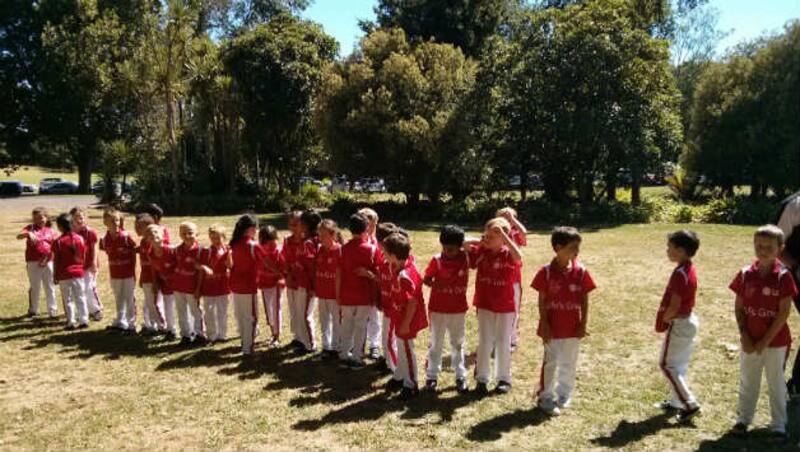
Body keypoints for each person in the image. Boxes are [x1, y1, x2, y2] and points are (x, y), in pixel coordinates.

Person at [729, 225, 797, 441]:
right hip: (750, 341)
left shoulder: (784, 277)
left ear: (780, 248)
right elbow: (739, 307)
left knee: (775, 382)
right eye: (759, 245)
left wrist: (764, 342)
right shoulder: (745, 273)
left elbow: (783, 313)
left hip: (775, 343)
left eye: (769, 246)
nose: (763, 250)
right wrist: (745, 336)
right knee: (748, 380)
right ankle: (743, 420)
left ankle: (778, 426)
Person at [531, 227, 596, 416]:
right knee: (551, 362)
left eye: (578, 247)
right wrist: (544, 323)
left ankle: (564, 394)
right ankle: (545, 397)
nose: (577, 251)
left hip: (573, 327)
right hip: (552, 327)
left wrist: (583, 324)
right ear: (558, 247)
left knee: (569, 361)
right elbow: (542, 300)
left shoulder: (581, 271)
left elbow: (584, 299)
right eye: (573, 247)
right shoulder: (546, 272)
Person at [469, 217, 522, 395]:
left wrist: (505, 238)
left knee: (503, 341)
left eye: (494, 237)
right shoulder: (482, 251)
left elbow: (519, 256)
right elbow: (463, 244)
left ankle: (503, 378)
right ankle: (482, 379)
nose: (489, 239)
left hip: (505, 305)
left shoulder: (508, 253)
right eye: (487, 235)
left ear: (504, 238)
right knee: (485, 341)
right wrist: (482, 240)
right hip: (485, 303)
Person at [654, 230, 701, 422]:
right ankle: (676, 401)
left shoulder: (680, 274)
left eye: (670, 247)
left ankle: (690, 404)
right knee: (678, 364)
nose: (667, 250)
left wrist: (664, 319)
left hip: (680, 323)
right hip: (687, 321)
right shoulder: (687, 268)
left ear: (681, 250)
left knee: (667, 365)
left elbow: (674, 305)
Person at [423, 225, 470, 394]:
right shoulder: (437, 260)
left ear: (460, 246)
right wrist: (436, 284)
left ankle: (460, 375)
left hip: (457, 310)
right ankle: (432, 376)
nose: (447, 252)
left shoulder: (466, 258)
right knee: (436, 343)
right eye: (445, 248)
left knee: (457, 343)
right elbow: (426, 279)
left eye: (452, 248)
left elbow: (479, 245)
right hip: (438, 309)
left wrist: (464, 243)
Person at [384, 232, 428, 400]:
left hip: (406, 319)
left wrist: (405, 324)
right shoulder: (401, 265)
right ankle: (399, 376)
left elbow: (412, 302)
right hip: (399, 315)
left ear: (393, 256)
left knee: (407, 350)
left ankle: (411, 384)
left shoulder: (405, 276)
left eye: (385, 253)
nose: (383, 256)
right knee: (401, 348)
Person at [337, 213, 380, 370]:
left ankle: (343, 355)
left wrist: (338, 294)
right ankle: (356, 357)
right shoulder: (372, 250)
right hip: (364, 296)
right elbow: (378, 276)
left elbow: (339, 274)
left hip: (347, 294)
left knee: (346, 324)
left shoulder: (343, 249)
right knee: (361, 326)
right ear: (367, 228)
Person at [228, 214, 264, 356]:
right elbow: (266, 261)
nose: (256, 231)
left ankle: (245, 343)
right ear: (250, 229)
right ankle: (247, 348)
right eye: (255, 228)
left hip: (236, 286)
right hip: (248, 287)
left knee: (241, 315)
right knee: (250, 318)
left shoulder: (234, 244)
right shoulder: (253, 245)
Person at [99, 209, 137, 333]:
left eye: (117, 220)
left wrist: (133, 271)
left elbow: (133, 252)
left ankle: (131, 324)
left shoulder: (125, 236)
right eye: (112, 221)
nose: (115, 223)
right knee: (118, 297)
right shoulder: (105, 240)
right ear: (105, 222)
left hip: (127, 273)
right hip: (115, 274)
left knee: (129, 298)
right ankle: (121, 321)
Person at [496, 207, 528, 351]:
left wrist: (513, 220)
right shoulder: (493, 234)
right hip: (495, 279)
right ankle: (496, 339)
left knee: (513, 309)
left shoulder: (515, 234)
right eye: (501, 218)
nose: (505, 221)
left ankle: (511, 339)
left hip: (513, 279)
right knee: (495, 309)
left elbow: (524, 232)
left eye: (508, 218)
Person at [17, 207, 57, 317]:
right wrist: (28, 234)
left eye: (41, 218)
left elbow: (55, 247)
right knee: (35, 286)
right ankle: (33, 309)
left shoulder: (51, 231)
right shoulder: (30, 228)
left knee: (49, 285)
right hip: (33, 262)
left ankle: (52, 309)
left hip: (48, 261)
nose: (38, 220)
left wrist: (49, 258)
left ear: (46, 218)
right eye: (35, 218)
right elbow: (18, 236)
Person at [52, 213, 88, 330]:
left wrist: (55, 275)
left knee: (68, 299)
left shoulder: (58, 242)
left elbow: (56, 260)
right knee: (81, 296)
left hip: (64, 274)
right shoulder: (80, 238)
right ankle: (84, 319)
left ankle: (71, 322)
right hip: (78, 273)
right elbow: (82, 256)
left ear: (60, 227)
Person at [172, 222, 206, 347]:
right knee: (181, 312)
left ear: (197, 234)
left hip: (192, 288)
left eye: (190, 233)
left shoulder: (200, 251)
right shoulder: (177, 250)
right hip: (178, 287)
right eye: (183, 233)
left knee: (196, 311)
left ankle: (200, 335)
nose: (187, 236)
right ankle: (185, 335)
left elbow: (201, 272)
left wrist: (198, 289)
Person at [198, 225, 231, 343]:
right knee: (209, 311)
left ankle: (222, 334)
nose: (215, 241)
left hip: (223, 285)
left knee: (222, 311)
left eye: (218, 238)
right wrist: (205, 267)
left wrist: (230, 254)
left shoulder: (227, 250)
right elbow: (198, 264)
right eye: (212, 238)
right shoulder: (206, 251)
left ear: (224, 237)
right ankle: (211, 334)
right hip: (209, 287)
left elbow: (230, 266)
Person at [70, 206, 103, 321]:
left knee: (90, 287)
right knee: (80, 289)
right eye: (76, 218)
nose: (79, 221)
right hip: (78, 266)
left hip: (90, 264)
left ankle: (96, 309)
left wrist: (94, 263)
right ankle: (84, 310)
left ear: (85, 218)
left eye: (81, 218)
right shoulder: (71, 233)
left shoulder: (90, 232)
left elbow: (94, 248)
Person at [315, 219, 342, 359]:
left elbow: (341, 274)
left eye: (324, 236)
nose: (321, 239)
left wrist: (339, 294)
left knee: (337, 321)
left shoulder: (339, 250)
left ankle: (336, 347)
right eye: (319, 235)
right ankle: (326, 346)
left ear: (332, 235)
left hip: (334, 294)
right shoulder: (320, 249)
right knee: (324, 321)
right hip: (322, 293)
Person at [359, 207, 383, 360]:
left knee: (374, 317)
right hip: (358, 286)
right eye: (370, 225)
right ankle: (358, 343)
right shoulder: (357, 243)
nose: (372, 228)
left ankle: (374, 344)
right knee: (359, 317)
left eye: (374, 225)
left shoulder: (377, 244)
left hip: (372, 285)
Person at [135, 213, 164, 335]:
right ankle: (151, 325)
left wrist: (155, 280)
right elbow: (143, 263)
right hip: (146, 277)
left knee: (155, 303)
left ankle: (162, 326)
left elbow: (155, 265)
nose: (136, 229)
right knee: (148, 303)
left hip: (154, 279)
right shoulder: (142, 242)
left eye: (139, 227)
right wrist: (142, 278)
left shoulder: (153, 244)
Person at [147, 225, 177, 340]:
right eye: (149, 234)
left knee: (183, 307)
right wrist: (155, 283)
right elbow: (154, 269)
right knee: (168, 307)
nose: (153, 235)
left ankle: (191, 331)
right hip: (165, 284)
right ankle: (171, 330)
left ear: (163, 235)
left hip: (179, 284)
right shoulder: (150, 253)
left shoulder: (171, 250)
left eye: (155, 232)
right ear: (147, 239)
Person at [258, 225, 285, 347]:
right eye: (265, 242)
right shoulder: (259, 249)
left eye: (272, 241)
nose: (269, 245)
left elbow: (283, 268)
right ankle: (272, 333)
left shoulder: (278, 251)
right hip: (264, 283)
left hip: (276, 285)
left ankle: (276, 336)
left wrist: (280, 276)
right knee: (268, 310)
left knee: (276, 309)